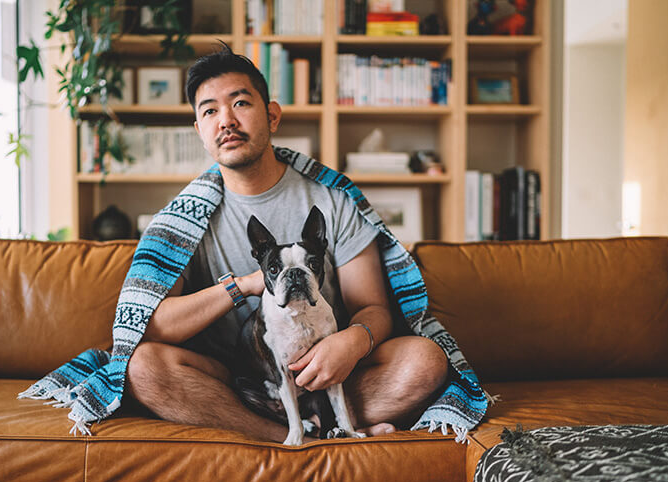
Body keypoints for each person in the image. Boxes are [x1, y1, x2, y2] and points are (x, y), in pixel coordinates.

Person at [124, 44, 449, 443]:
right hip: (240, 379)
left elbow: (374, 307)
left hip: (333, 369)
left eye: (240, 103)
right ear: (200, 131)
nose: (226, 120)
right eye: (209, 111)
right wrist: (242, 285)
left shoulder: (332, 199)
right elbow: (155, 325)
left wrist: (351, 343)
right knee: (142, 367)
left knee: (427, 361)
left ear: (272, 115)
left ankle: (322, 420)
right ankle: (301, 435)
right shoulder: (184, 220)